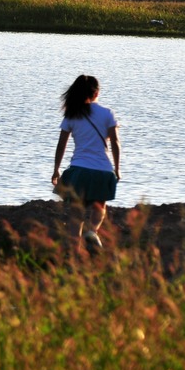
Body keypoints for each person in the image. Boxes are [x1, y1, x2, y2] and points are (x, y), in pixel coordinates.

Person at [51, 75, 121, 251]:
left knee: (76, 214)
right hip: (102, 170)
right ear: (97, 92)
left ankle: (75, 252)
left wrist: (56, 170)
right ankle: (92, 231)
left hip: (79, 170)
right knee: (100, 207)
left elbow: (61, 145)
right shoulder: (107, 114)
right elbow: (115, 143)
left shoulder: (72, 115)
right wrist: (117, 169)